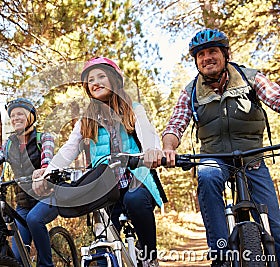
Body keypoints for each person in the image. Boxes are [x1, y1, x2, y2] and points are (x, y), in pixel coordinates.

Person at [161, 28, 280, 266]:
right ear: (196, 61)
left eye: (212, 51)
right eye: (201, 54)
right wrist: (168, 148)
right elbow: (176, 124)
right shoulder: (191, 91)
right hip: (214, 157)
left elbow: (275, 97)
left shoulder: (250, 78)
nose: (207, 58)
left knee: (276, 229)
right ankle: (221, 253)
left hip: (252, 158)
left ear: (225, 54)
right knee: (207, 176)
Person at [32, 57, 165, 267]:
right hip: (103, 184)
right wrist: (49, 170)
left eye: (101, 76)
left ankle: (150, 256)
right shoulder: (86, 119)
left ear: (114, 80)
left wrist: (152, 151)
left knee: (135, 200)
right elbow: (69, 149)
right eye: (91, 80)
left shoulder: (133, 108)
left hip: (135, 178)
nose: (96, 82)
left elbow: (147, 133)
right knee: (103, 240)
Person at [0, 98, 56, 267]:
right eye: (12, 115)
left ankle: (46, 265)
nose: (15, 118)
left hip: (48, 198)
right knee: (18, 258)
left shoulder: (43, 137)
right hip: (23, 205)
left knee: (34, 219)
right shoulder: (9, 145)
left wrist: (43, 170)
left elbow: (47, 158)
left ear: (31, 117)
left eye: (20, 114)